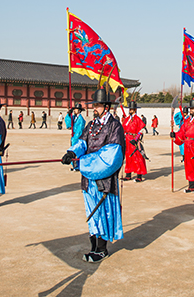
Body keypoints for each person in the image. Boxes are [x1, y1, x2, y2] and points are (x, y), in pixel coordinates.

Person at [61, 89, 125, 263]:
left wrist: (84, 162)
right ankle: (93, 247)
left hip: (103, 178)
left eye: (96, 105)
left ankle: (102, 249)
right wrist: (72, 152)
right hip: (89, 177)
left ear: (105, 107)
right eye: (93, 105)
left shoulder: (115, 126)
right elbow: (82, 143)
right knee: (92, 212)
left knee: (103, 211)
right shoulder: (91, 125)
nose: (94, 109)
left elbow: (111, 156)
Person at [122, 101, 147, 182]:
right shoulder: (126, 119)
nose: (130, 110)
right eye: (130, 109)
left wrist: (136, 139)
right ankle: (128, 174)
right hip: (127, 140)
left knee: (137, 157)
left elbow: (142, 129)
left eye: (132, 109)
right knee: (128, 158)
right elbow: (123, 128)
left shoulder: (138, 119)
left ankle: (139, 175)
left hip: (134, 140)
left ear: (135, 110)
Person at [65, 103, 86, 171]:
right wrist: (69, 114)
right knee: (72, 151)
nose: (74, 110)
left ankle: (76, 166)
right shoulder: (74, 117)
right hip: (73, 136)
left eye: (76, 109)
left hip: (77, 137)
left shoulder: (81, 120)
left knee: (76, 151)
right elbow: (68, 121)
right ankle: (73, 165)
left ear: (79, 110)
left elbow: (79, 130)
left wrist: (75, 138)